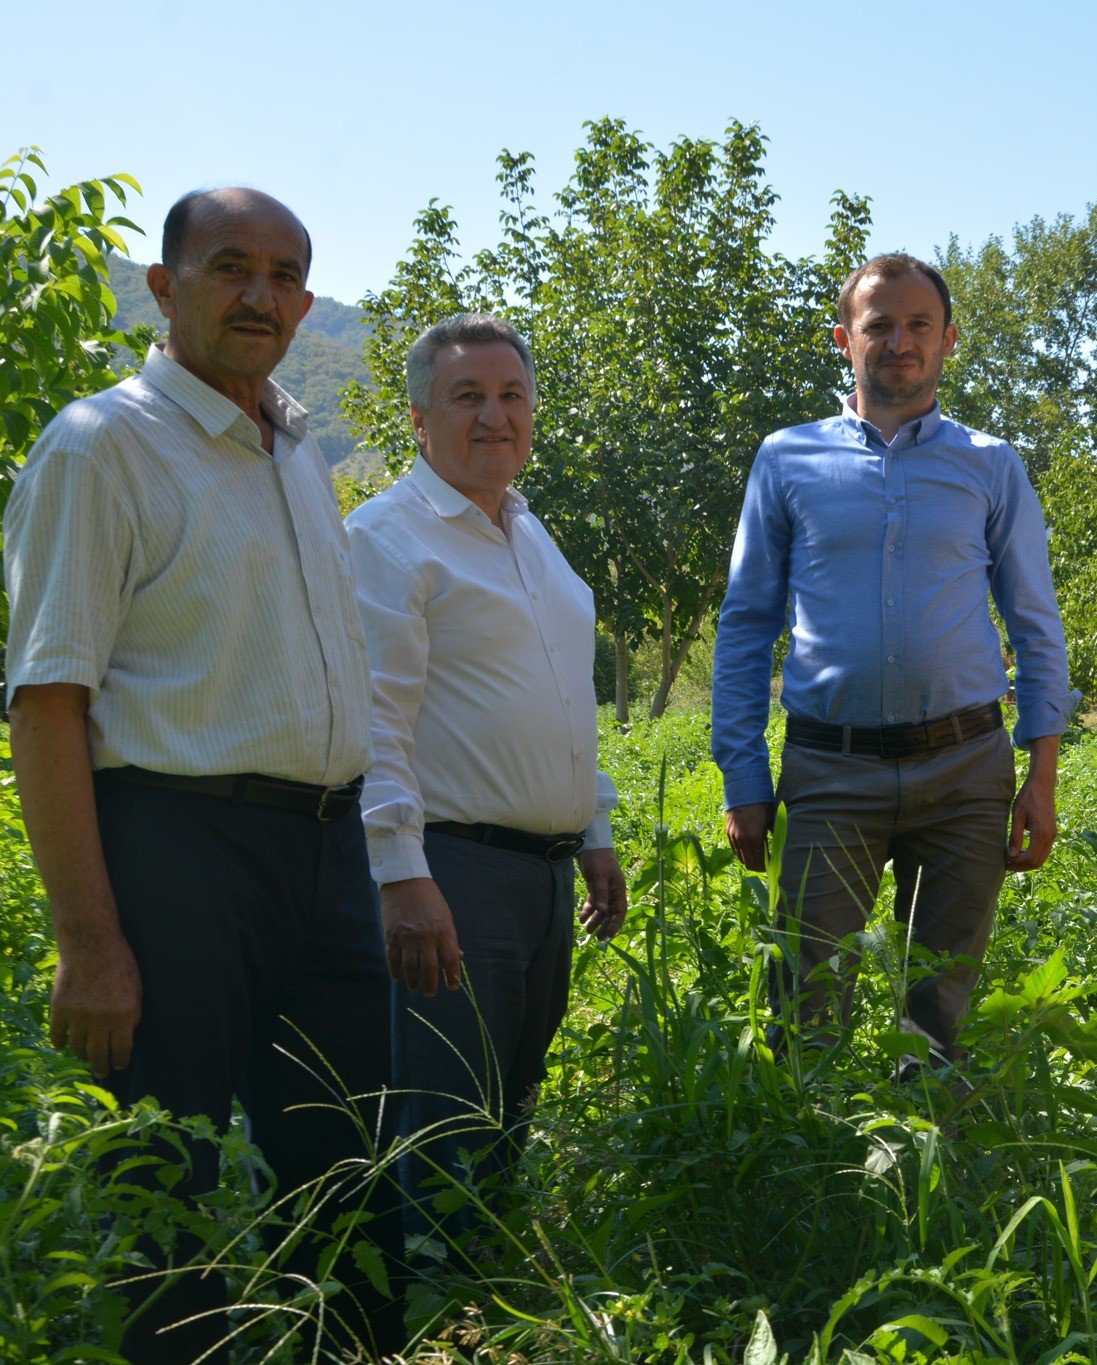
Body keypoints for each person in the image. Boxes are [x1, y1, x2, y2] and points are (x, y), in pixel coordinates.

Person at [2, 188, 401, 1362]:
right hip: (174, 850)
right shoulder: (101, 446)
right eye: (231, 268)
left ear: (307, 303)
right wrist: (89, 939)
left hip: (325, 858)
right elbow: (47, 703)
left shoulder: (293, 450)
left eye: (285, 276)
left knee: (348, 1171)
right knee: (164, 1187)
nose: (261, 295)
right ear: (165, 288)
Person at [711, 253, 1078, 1071]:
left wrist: (1041, 774)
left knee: (939, 1007)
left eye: (919, 324)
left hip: (965, 773)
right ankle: (811, 1181)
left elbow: (1035, 626)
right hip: (828, 773)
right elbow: (744, 624)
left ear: (950, 339)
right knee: (803, 1001)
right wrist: (744, 778)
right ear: (845, 339)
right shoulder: (786, 459)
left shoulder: (990, 465)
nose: (900, 341)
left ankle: (927, 1183)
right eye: (879, 324)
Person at [344, 313, 630, 1251]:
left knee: (508, 1116)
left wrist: (594, 835)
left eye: (511, 396)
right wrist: (402, 873)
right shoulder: (390, 538)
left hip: (542, 880)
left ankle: (486, 1313)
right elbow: (375, 721)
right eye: (468, 396)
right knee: (445, 1128)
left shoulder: (527, 533)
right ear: (421, 416)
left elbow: (565, 697)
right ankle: (430, 1324)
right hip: (455, 875)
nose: (494, 415)